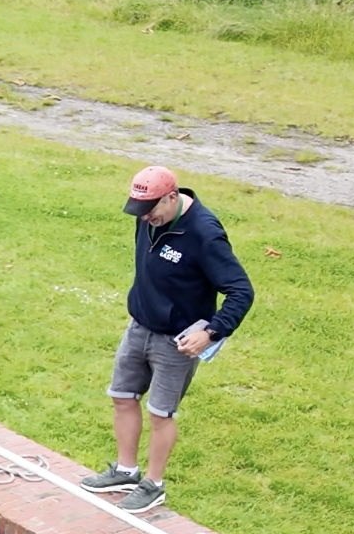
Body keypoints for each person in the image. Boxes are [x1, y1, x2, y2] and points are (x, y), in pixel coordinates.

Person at [81, 166, 255, 512]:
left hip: (176, 342)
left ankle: (154, 485)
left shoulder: (205, 234)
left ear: (173, 197)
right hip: (139, 327)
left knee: (161, 413)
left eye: (151, 210)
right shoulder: (148, 217)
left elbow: (240, 291)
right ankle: (126, 471)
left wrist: (210, 332)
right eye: (139, 211)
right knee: (122, 396)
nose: (145, 218)